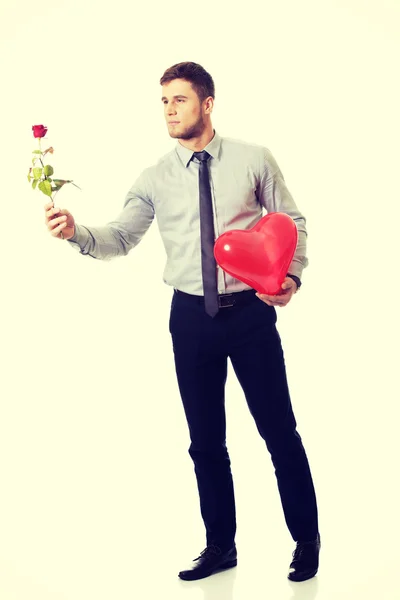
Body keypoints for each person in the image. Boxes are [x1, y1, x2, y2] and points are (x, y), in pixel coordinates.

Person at [44, 61, 320, 583]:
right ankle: (221, 546)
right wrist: (76, 232)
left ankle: (306, 540)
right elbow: (121, 238)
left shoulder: (253, 160)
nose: (169, 109)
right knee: (204, 440)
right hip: (190, 318)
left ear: (207, 104)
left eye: (180, 100)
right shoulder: (155, 178)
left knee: (279, 432)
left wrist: (292, 278)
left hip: (250, 316)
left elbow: (292, 222)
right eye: (164, 101)